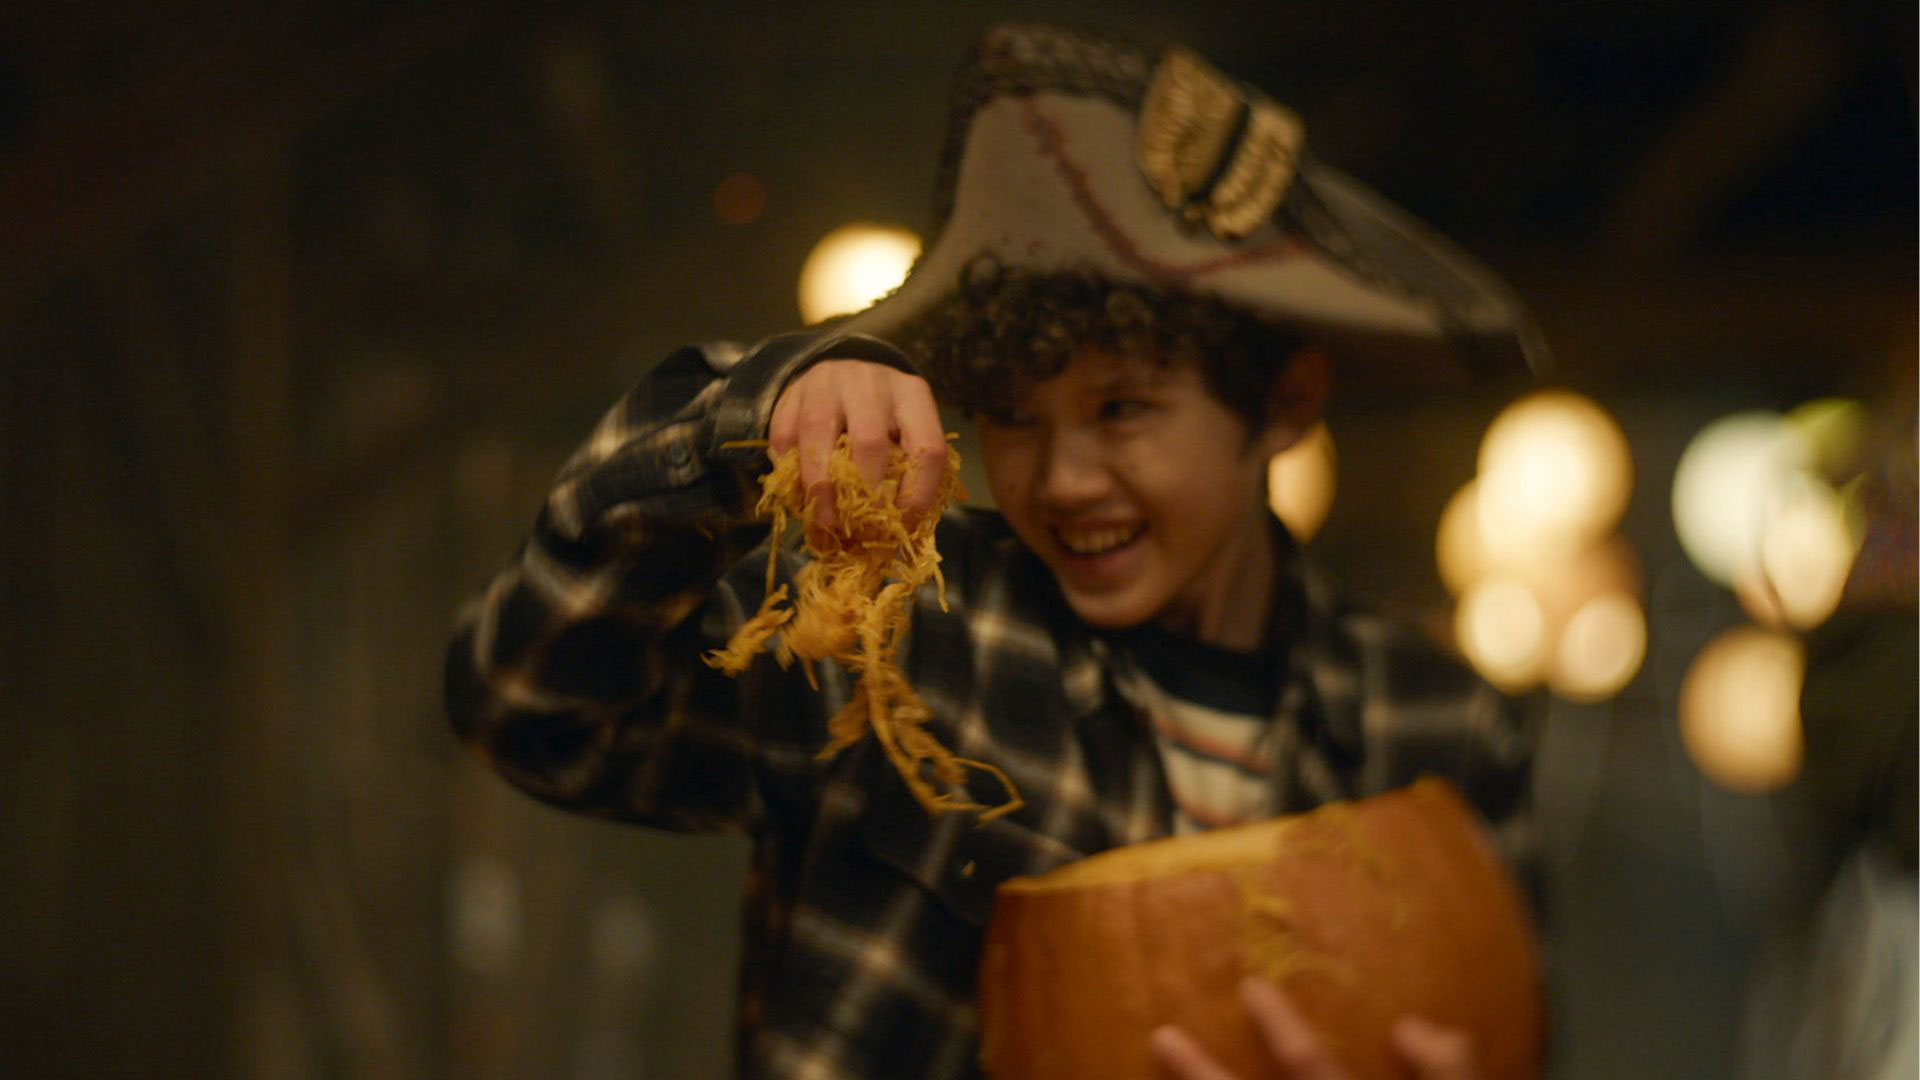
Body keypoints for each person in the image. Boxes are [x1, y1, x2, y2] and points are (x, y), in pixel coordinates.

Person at [445, 22, 1548, 1080]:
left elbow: (1515, 1030)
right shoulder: (897, 640)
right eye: (1013, 417)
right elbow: (525, 706)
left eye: (1122, 409)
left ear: (1287, 403)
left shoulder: (1438, 727)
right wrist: (748, 418)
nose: (1061, 481)